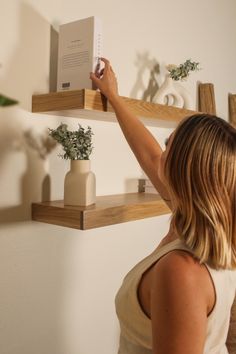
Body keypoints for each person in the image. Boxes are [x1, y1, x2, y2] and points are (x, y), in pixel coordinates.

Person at [90, 58, 236, 354]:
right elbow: (149, 155)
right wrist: (114, 98)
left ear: (183, 169)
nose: (162, 151)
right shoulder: (212, 229)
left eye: (169, 144)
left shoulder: (182, 270)